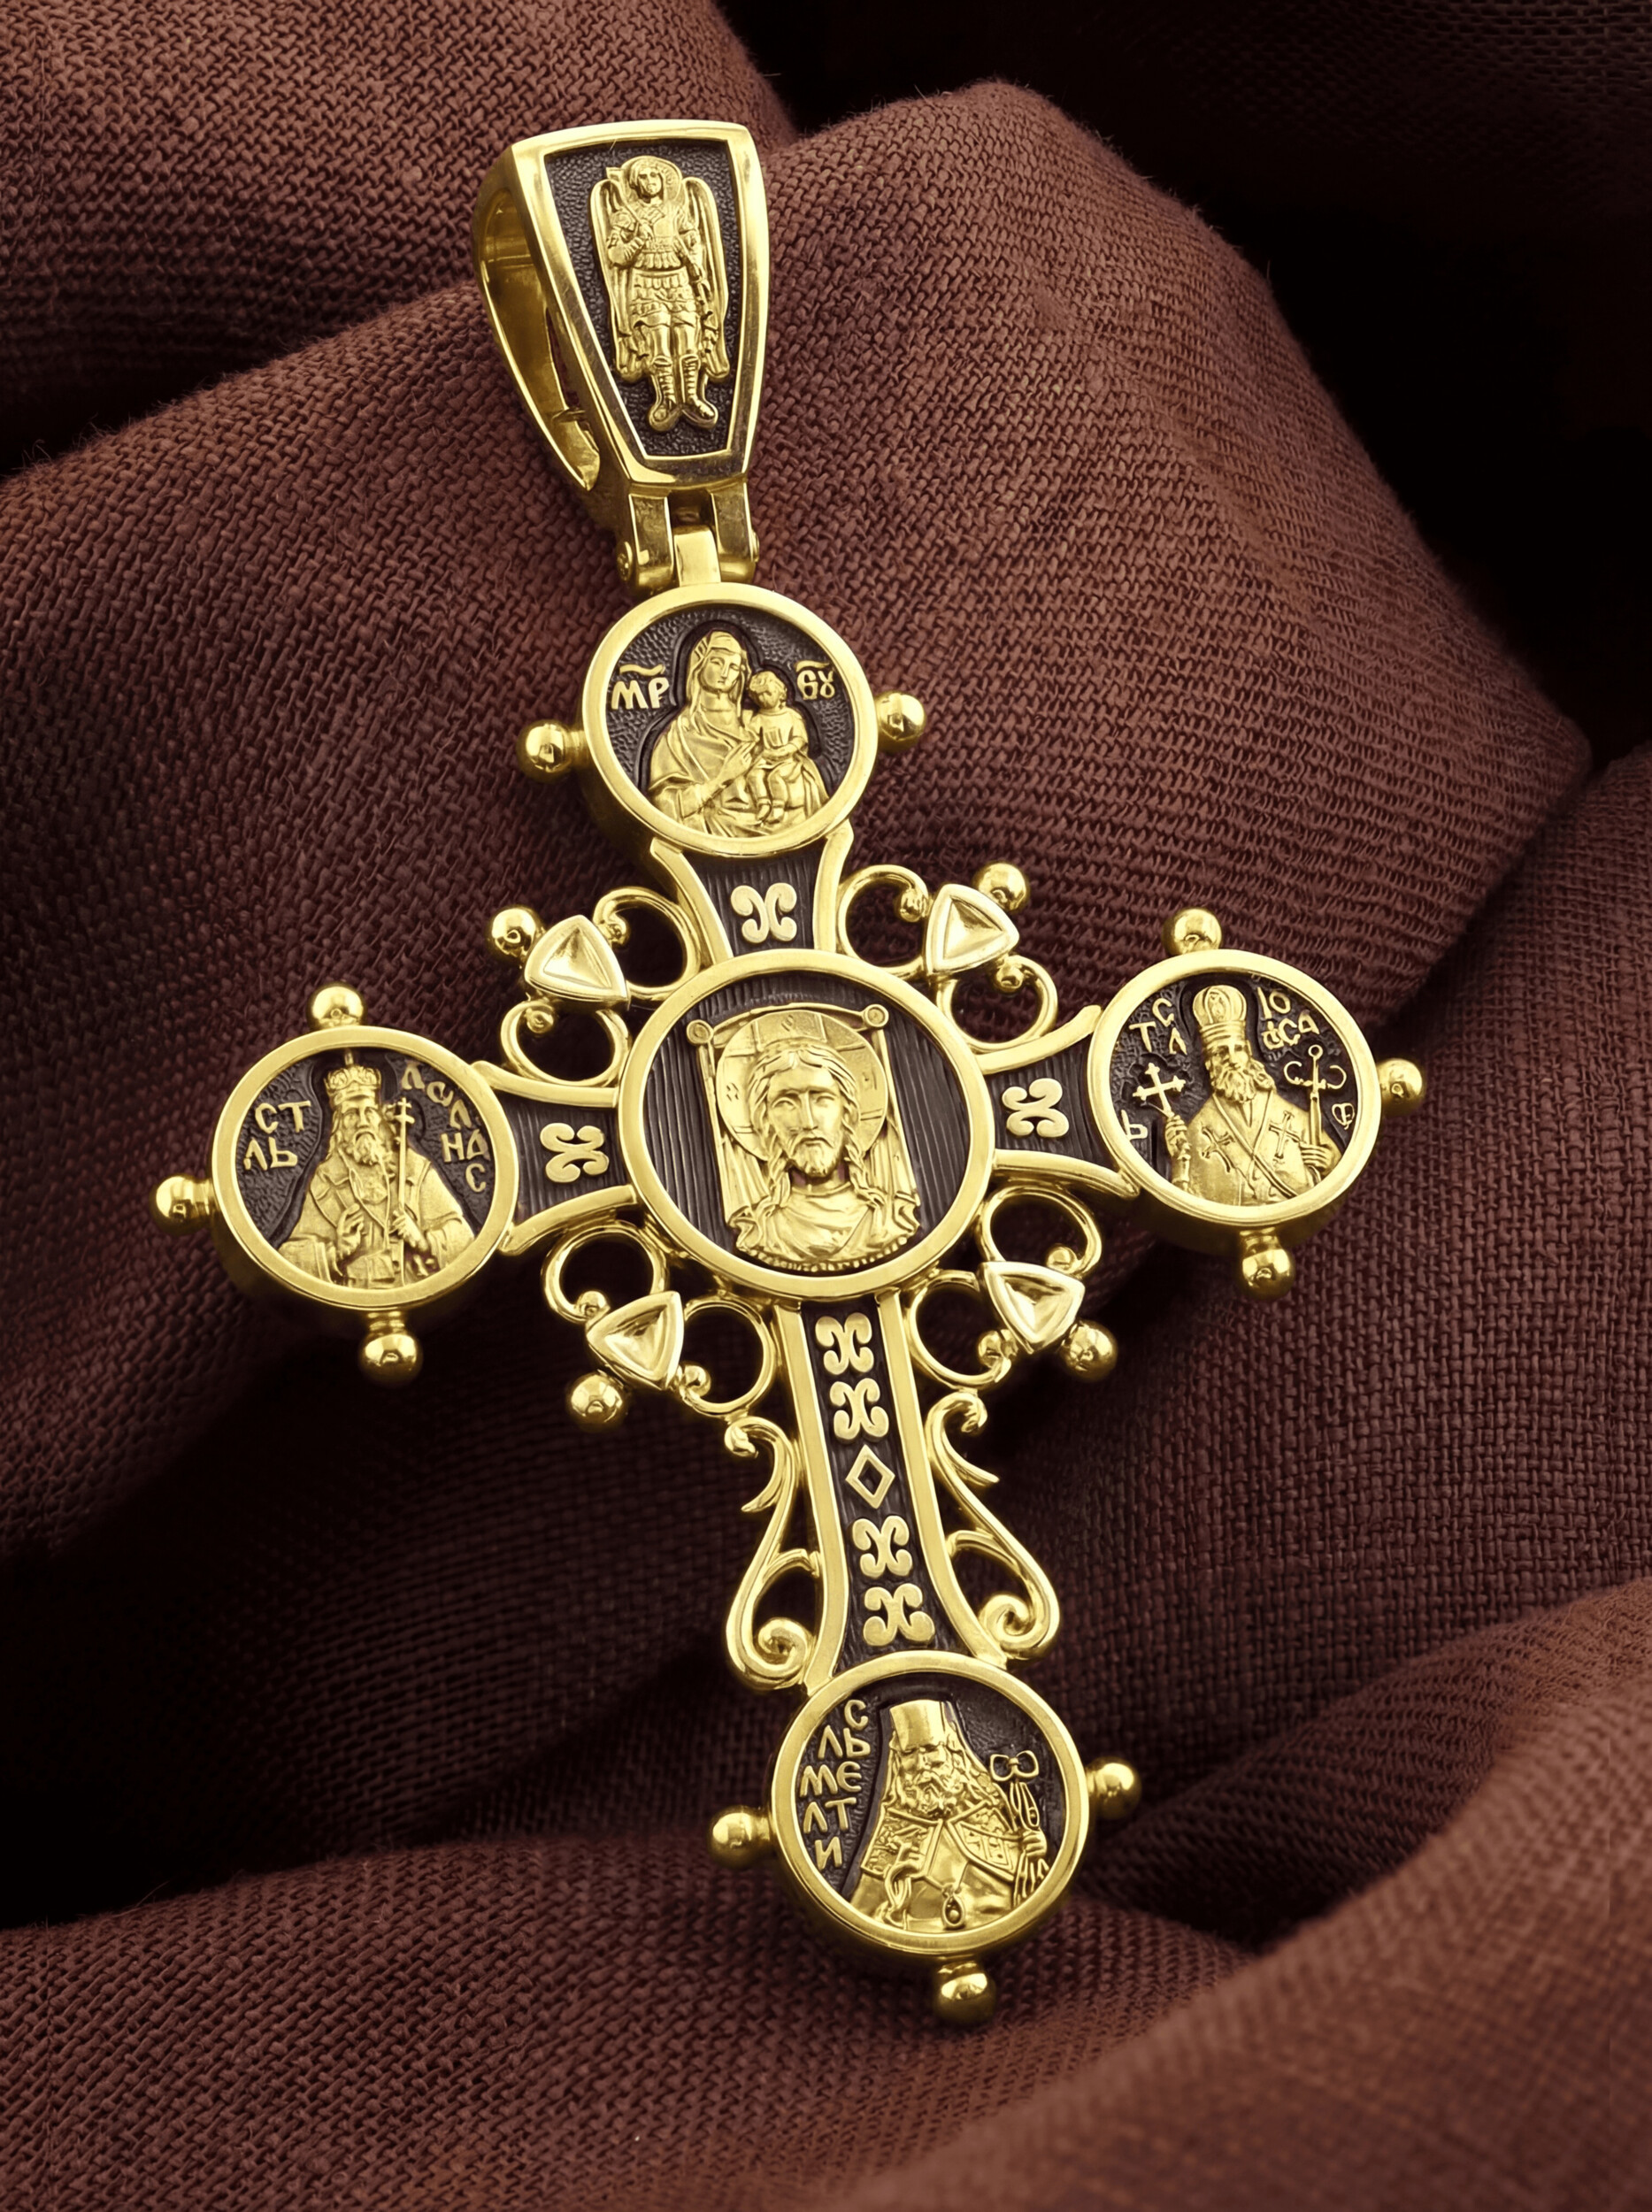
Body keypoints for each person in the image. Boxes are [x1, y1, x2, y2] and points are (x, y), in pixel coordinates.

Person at [849, 1699, 1048, 1934]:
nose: (921, 1764)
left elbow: (1031, 1881)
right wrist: (893, 1903)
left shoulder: (987, 1811)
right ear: (898, 1760)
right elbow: (860, 1915)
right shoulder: (894, 1831)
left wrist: (1035, 1851)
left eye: (931, 1749)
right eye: (909, 1753)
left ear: (953, 1751)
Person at [279, 1060, 473, 1288]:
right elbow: (289, 1258)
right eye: (352, 1114)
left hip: (412, 1284)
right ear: (339, 1125)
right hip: (354, 1291)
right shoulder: (326, 1180)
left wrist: (422, 1240)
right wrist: (336, 1251)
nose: (362, 1122)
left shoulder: (413, 1169)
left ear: (379, 1117)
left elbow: (464, 1238)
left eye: (369, 1111)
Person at [733, 1030, 914, 1271]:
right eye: (786, 1103)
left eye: (821, 1099)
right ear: (765, 1120)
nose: (808, 1122)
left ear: (847, 1110)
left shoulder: (884, 1220)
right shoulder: (763, 1230)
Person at [1163, 983, 1340, 1203]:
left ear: (1249, 1051)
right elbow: (1188, 1201)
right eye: (1221, 1052)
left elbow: (1334, 1166)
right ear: (1208, 1063)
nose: (1233, 1060)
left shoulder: (1293, 1117)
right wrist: (1179, 1161)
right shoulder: (1198, 1129)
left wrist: (1330, 1162)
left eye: (1238, 1049)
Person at [592, 154, 727, 430]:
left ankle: (691, 397)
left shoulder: (676, 211)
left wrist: (691, 252)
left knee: (689, 343)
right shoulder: (626, 216)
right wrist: (639, 240)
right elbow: (615, 256)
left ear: (663, 181)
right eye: (643, 177)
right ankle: (667, 399)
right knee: (660, 345)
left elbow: (695, 241)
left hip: (679, 283)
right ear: (634, 184)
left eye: (654, 176)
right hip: (646, 286)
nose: (650, 181)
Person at [741, 668, 826, 824]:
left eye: (767, 693)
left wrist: (785, 750)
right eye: (759, 696)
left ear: (780, 693)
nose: (763, 699)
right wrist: (745, 722)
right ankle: (763, 803)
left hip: (788, 760)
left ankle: (778, 807)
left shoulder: (791, 716)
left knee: (776, 777)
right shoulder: (759, 718)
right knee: (754, 775)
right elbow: (749, 738)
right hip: (766, 759)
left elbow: (799, 739)